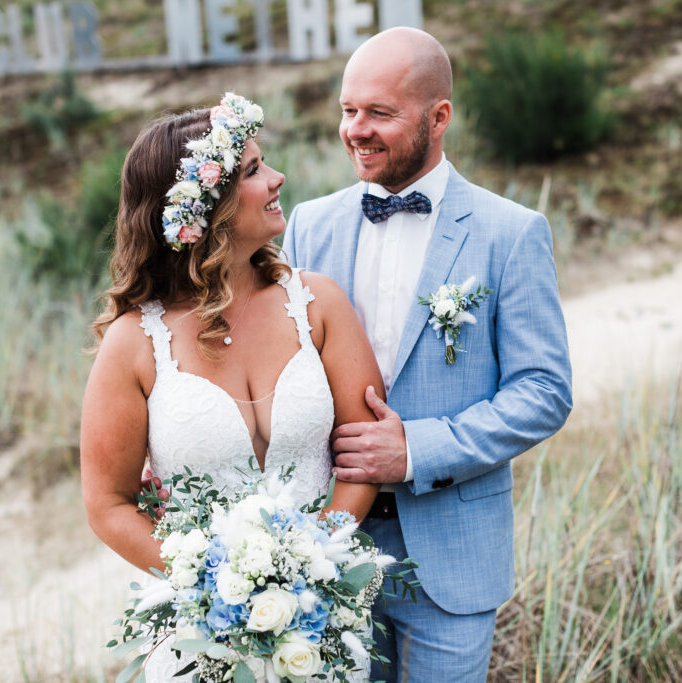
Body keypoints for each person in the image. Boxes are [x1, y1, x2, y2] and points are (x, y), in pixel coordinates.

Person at [281, 28, 573, 681]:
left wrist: (416, 448)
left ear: (439, 117)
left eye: (379, 112)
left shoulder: (511, 233)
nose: (355, 129)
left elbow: (544, 391)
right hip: (327, 547)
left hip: (453, 551)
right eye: (347, 109)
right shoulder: (309, 224)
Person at [79, 94, 385, 681]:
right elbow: (107, 503)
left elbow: (363, 456)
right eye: (252, 171)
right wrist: (213, 588)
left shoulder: (318, 305)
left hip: (323, 621)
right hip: (201, 633)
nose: (277, 178)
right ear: (205, 208)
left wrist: (308, 566)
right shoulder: (134, 343)